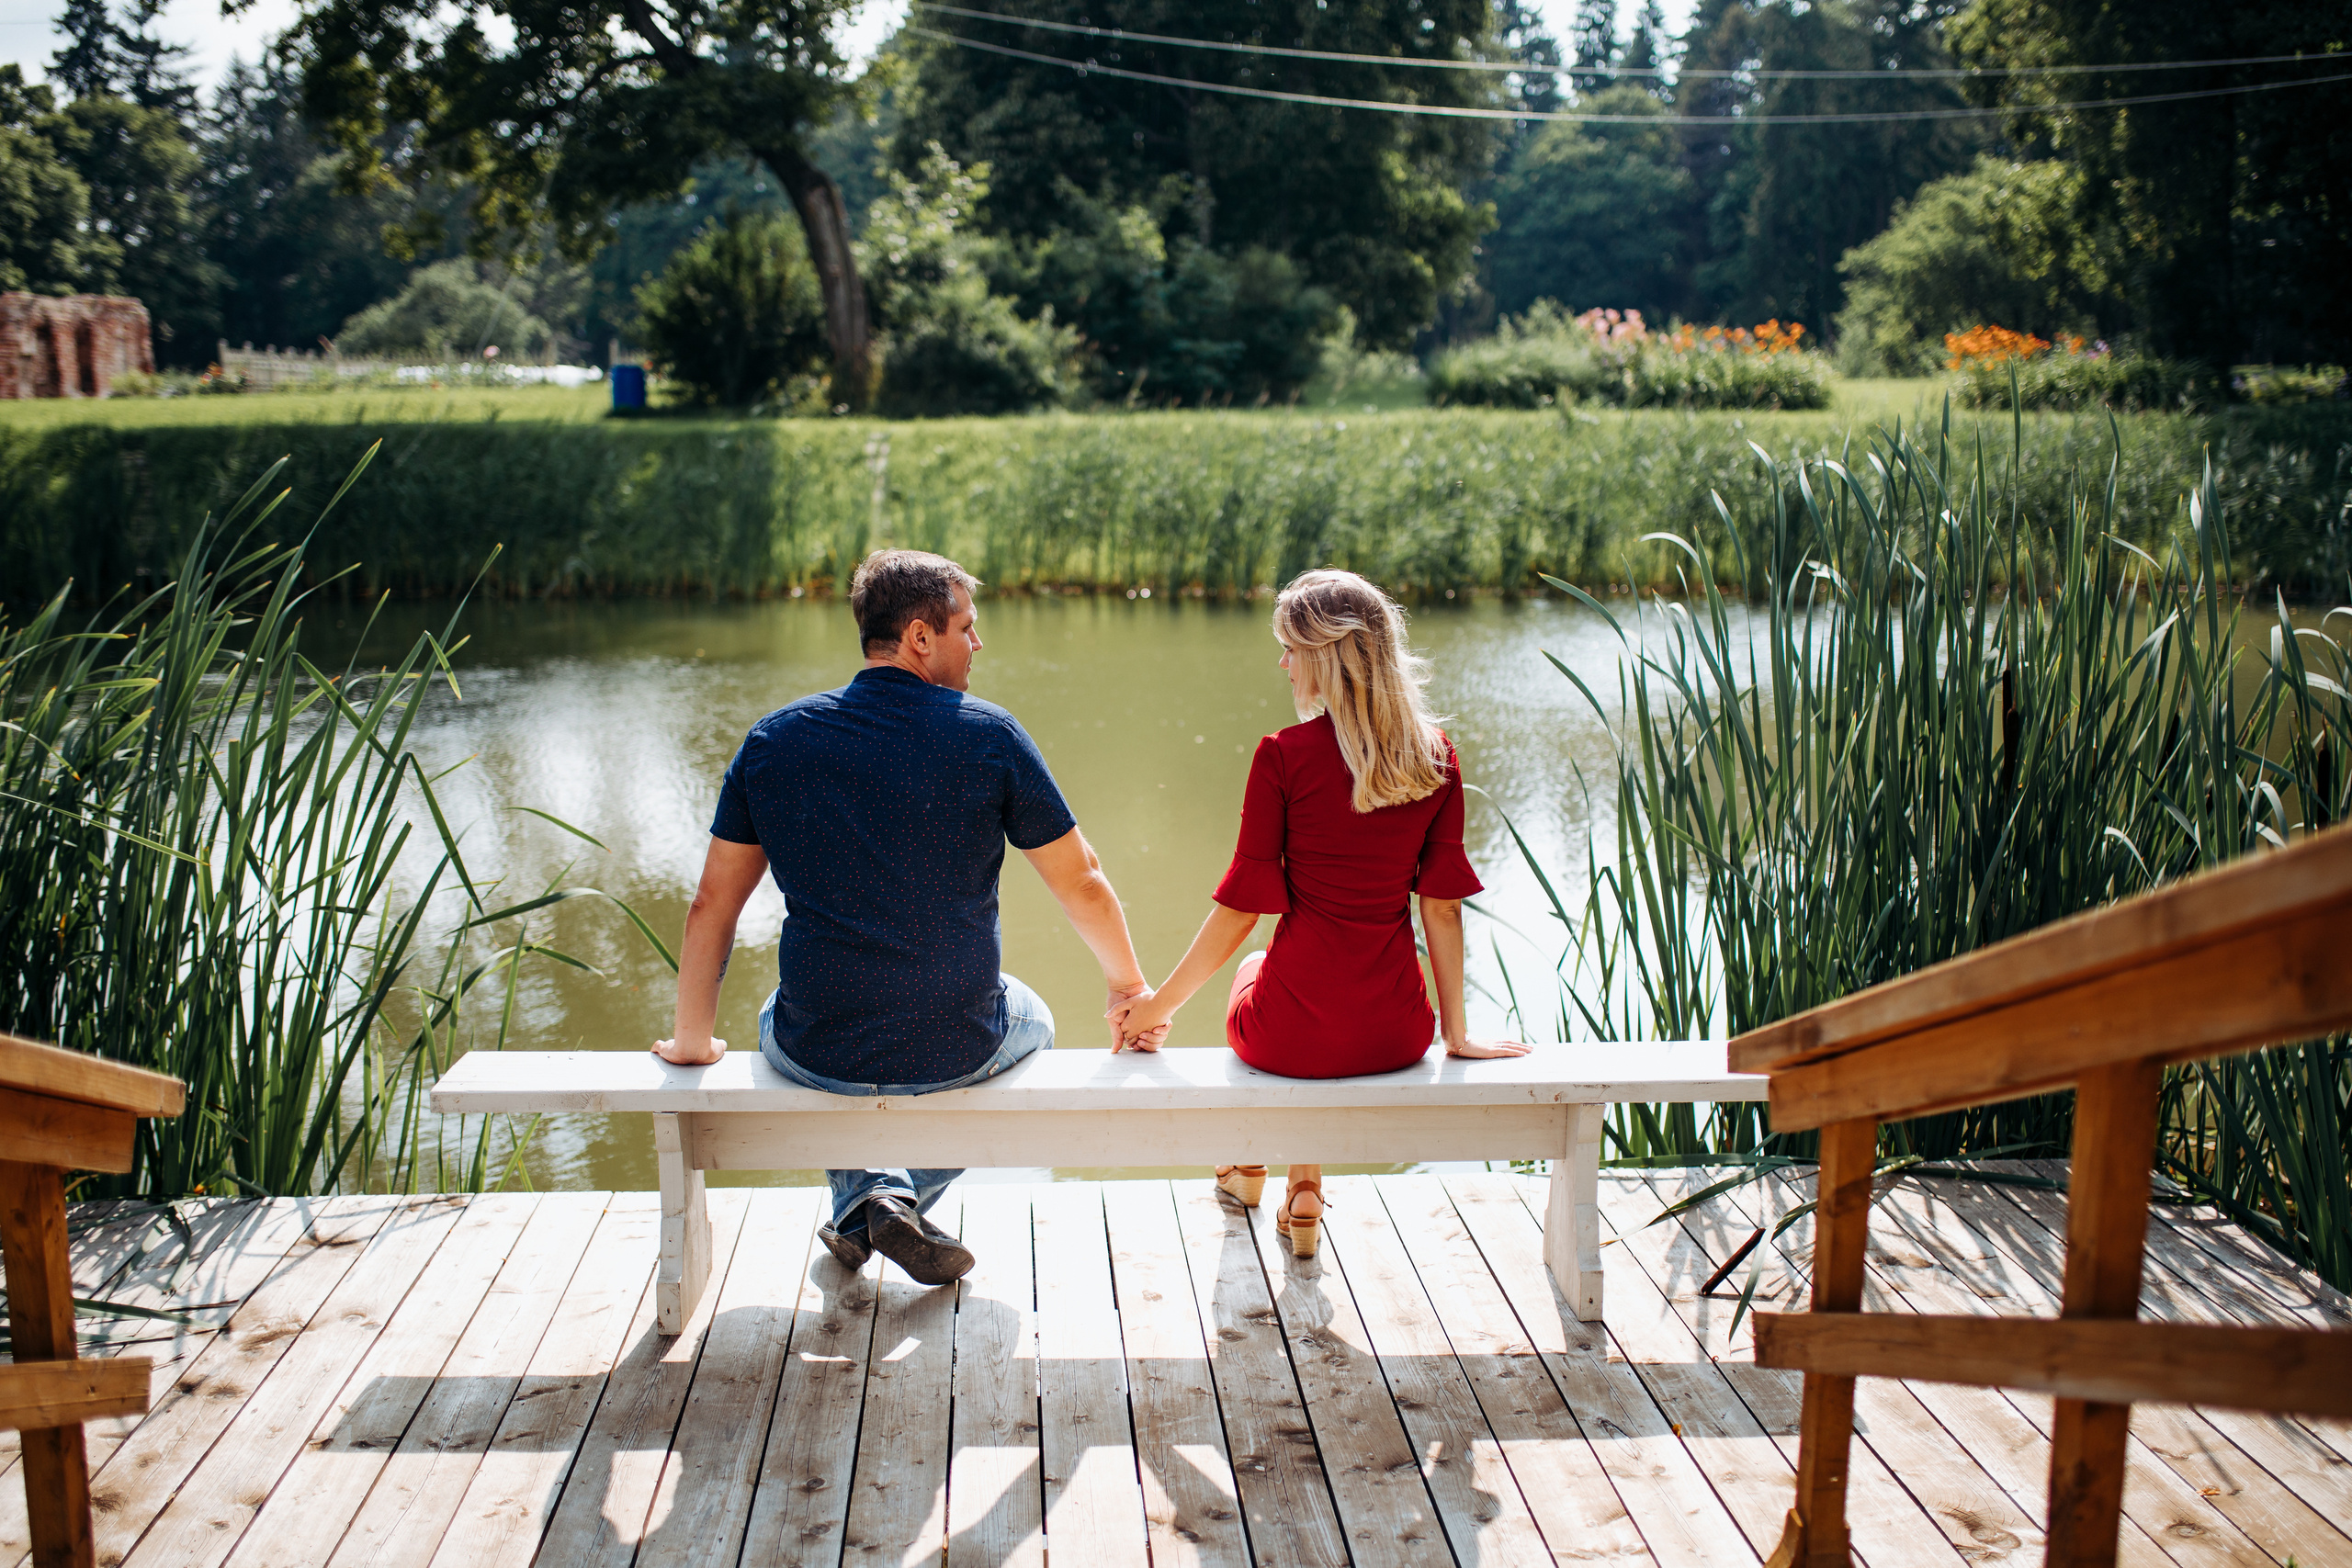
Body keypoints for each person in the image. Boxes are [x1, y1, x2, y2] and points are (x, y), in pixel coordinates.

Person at [653, 549, 1162, 1286]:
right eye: (966, 627)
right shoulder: (990, 735)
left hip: (815, 1043)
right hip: (959, 1040)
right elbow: (1081, 880)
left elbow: (712, 905)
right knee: (1038, 1021)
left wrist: (694, 1041)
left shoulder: (774, 739)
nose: (977, 644)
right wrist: (1128, 988)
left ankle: (869, 1193)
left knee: (775, 1014)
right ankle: (889, 1192)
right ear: (920, 637)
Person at [1114, 569, 1529, 1257]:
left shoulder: (1283, 755)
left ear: (1326, 656)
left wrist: (1156, 1008)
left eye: (1291, 649)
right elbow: (1443, 910)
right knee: (1292, 980)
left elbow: (1241, 913)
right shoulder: (1435, 757)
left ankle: (1250, 1161)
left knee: (1258, 964)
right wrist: (1455, 1033)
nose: (1282, 663)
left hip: (1291, 1039)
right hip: (1396, 1032)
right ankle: (1301, 1189)